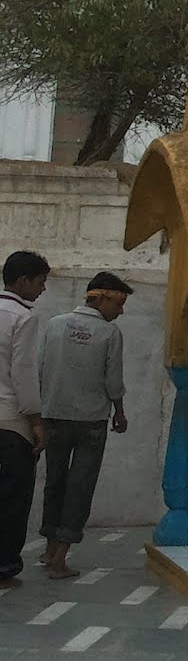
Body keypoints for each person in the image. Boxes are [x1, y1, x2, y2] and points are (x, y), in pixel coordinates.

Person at [37, 271, 131, 580]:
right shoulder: (109, 333)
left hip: (53, 416)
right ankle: (60, 560)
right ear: (102, 298)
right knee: (80, 486)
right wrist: (119, 412)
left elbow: (40, 368)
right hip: (90, 420)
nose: (121, 311)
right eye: (119, 303)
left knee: (55, 481)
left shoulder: (54, 325)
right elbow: (113, 381)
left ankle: (49, 550)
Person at [0, 250, 49, 587]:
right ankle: (4, 564)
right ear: (22, 281)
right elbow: (24, 372)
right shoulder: (23, 317)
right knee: (12, 497)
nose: (42, 290)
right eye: (40, 282)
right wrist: (36, 421)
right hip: (10, 422)